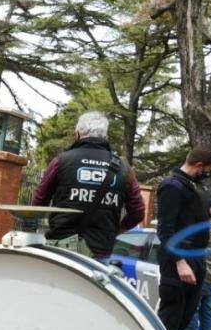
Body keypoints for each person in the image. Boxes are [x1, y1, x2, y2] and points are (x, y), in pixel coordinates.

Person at [32, 111, 146, 262]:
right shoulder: (123, 168)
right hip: (100, 253)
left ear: (77, 134)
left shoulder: (61, 161)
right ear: (106, 138)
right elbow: (138, 212)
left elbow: (38, 202)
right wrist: (115, 231)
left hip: (61, 249)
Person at [155, 146, 211, 330]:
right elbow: (165, 230)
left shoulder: (196, 187)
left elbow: (199, 214)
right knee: (170, 318)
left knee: (186, 315)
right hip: (179, 260)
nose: (209, 174)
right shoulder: (172, 186)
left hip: (197, 257)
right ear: (199, 166)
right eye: (209, 169)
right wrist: (180, 262)